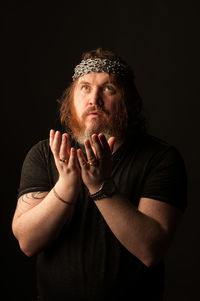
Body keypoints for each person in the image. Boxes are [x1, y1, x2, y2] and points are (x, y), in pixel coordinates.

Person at [12, 48, 187, 301]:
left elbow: (151, 249)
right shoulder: (44, 154)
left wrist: (100, 186)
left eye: (109, 89)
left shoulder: (161, 158)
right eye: (85, 87)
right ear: (71, 99)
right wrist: (67, 187)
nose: (94, 98)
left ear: (129, 101)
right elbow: (27, 242)